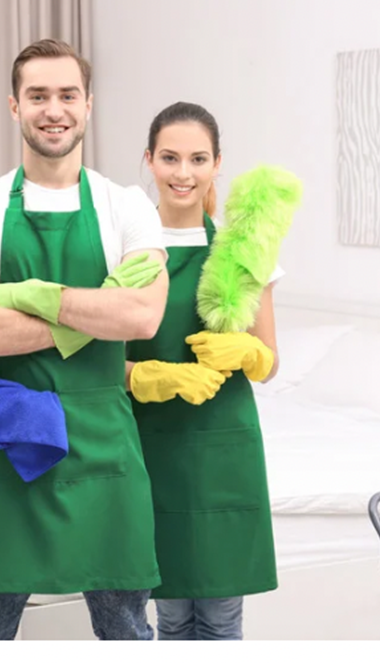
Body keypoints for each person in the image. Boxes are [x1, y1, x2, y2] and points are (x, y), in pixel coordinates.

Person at [0, 38, 169, 640]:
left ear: (88, 104)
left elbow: (142, 317)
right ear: (14, 106)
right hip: (9, 439)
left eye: (67, 94)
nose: (53, 109)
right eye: (37, 95)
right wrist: (93, 314)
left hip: (106, 448)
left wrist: (27, 296)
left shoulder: (129, 207)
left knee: (125, 630)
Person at [126, 101, 282, 641]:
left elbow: (269, 361)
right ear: (149, 161)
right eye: (170, 158)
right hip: (152, 447)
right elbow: (100, 365)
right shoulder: (126, 251)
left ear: (218, 163)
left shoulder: (242, 254)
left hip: (224, 450)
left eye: (197, 158)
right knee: (168, 614)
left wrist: (244, 352)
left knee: (221, 617)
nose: (183, 173)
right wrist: (151, 377)